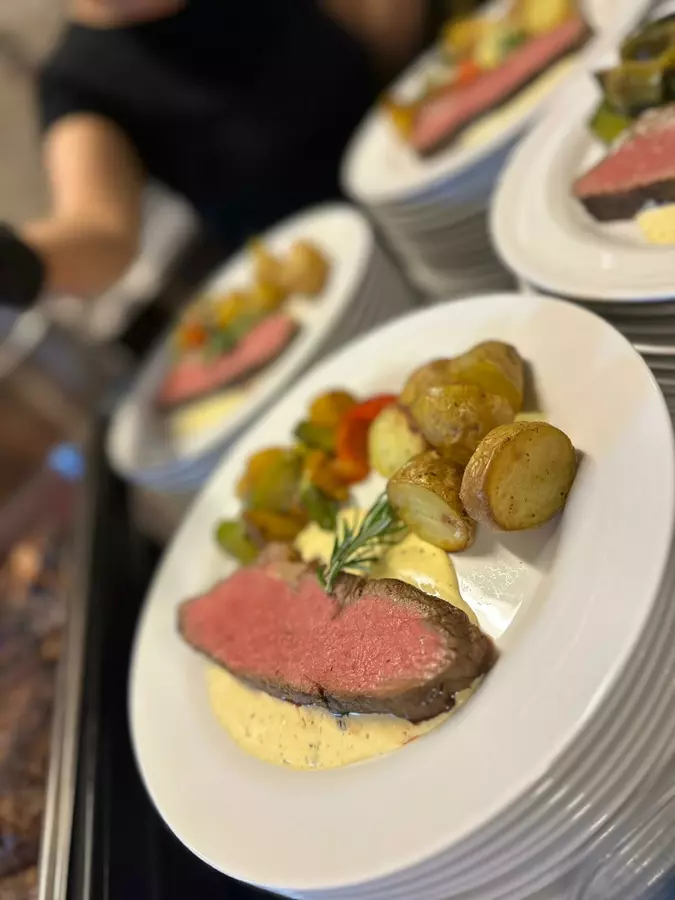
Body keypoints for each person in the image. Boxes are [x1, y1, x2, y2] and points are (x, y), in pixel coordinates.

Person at [0, 0, 433, 310]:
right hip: (334, 290)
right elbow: (101, 232)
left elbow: (382, 32)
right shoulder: (78, 78)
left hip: (429, 179)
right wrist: (15, 262)